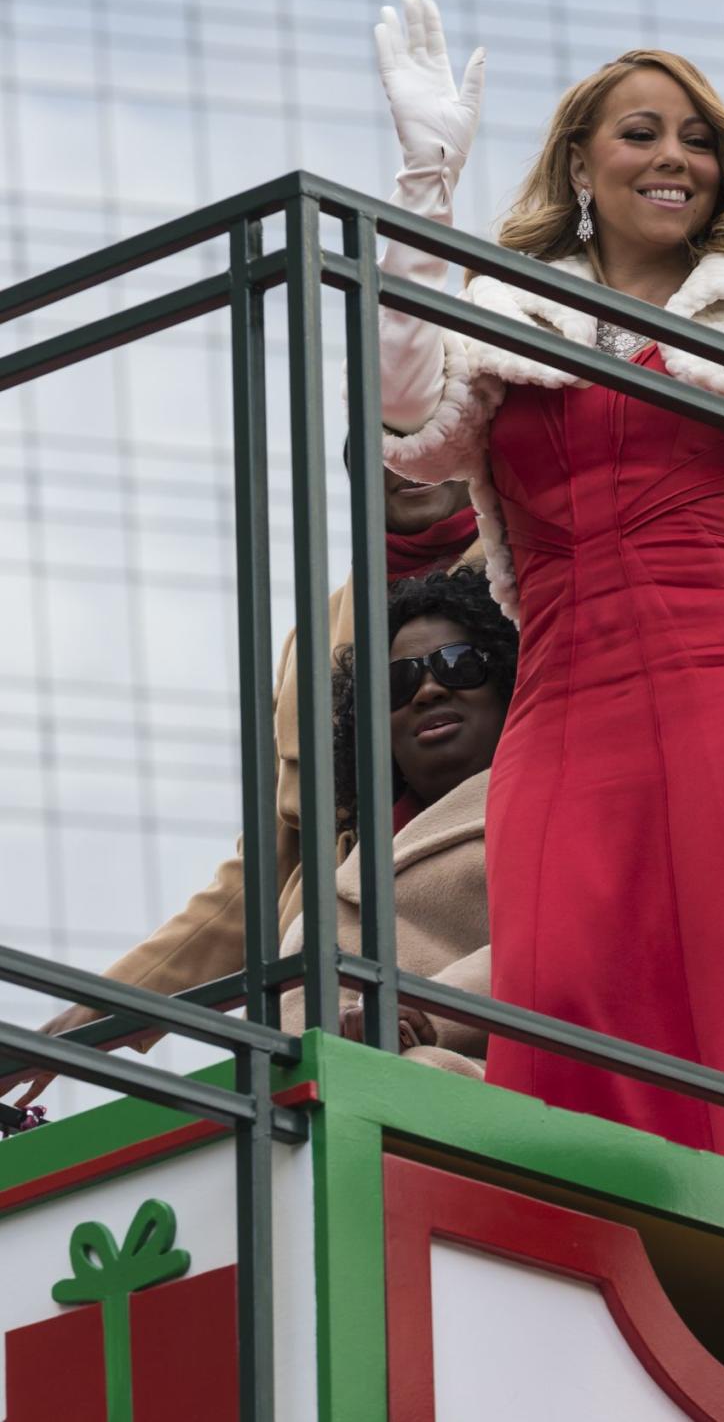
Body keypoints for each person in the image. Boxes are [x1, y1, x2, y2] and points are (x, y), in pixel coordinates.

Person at [368, 0, 724, 1188]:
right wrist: (425, 188)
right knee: (565, 981)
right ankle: (591, 1257)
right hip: (566, 705)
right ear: (581, 160)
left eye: (696, 137)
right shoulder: (504, 307)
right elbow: (406, 417)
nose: (672, 156)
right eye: (639, 131)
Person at [8, 469, 481, 1102]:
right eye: (386, 436)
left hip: (480, 954)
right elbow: (266, 868)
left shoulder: (544, 576)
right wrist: (98, 1010)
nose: (407, 461)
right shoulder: (317, 635)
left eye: (432, 429)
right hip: (323, 991)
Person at [281, 569, 517, 1078]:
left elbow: (561, 946)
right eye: (397, 682)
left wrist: (422, 1014)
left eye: (457, 664)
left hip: (509, 1109)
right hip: (359, 1118)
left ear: (507, 681)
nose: (428, 690)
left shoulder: (559, 811)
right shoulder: (346, 873)